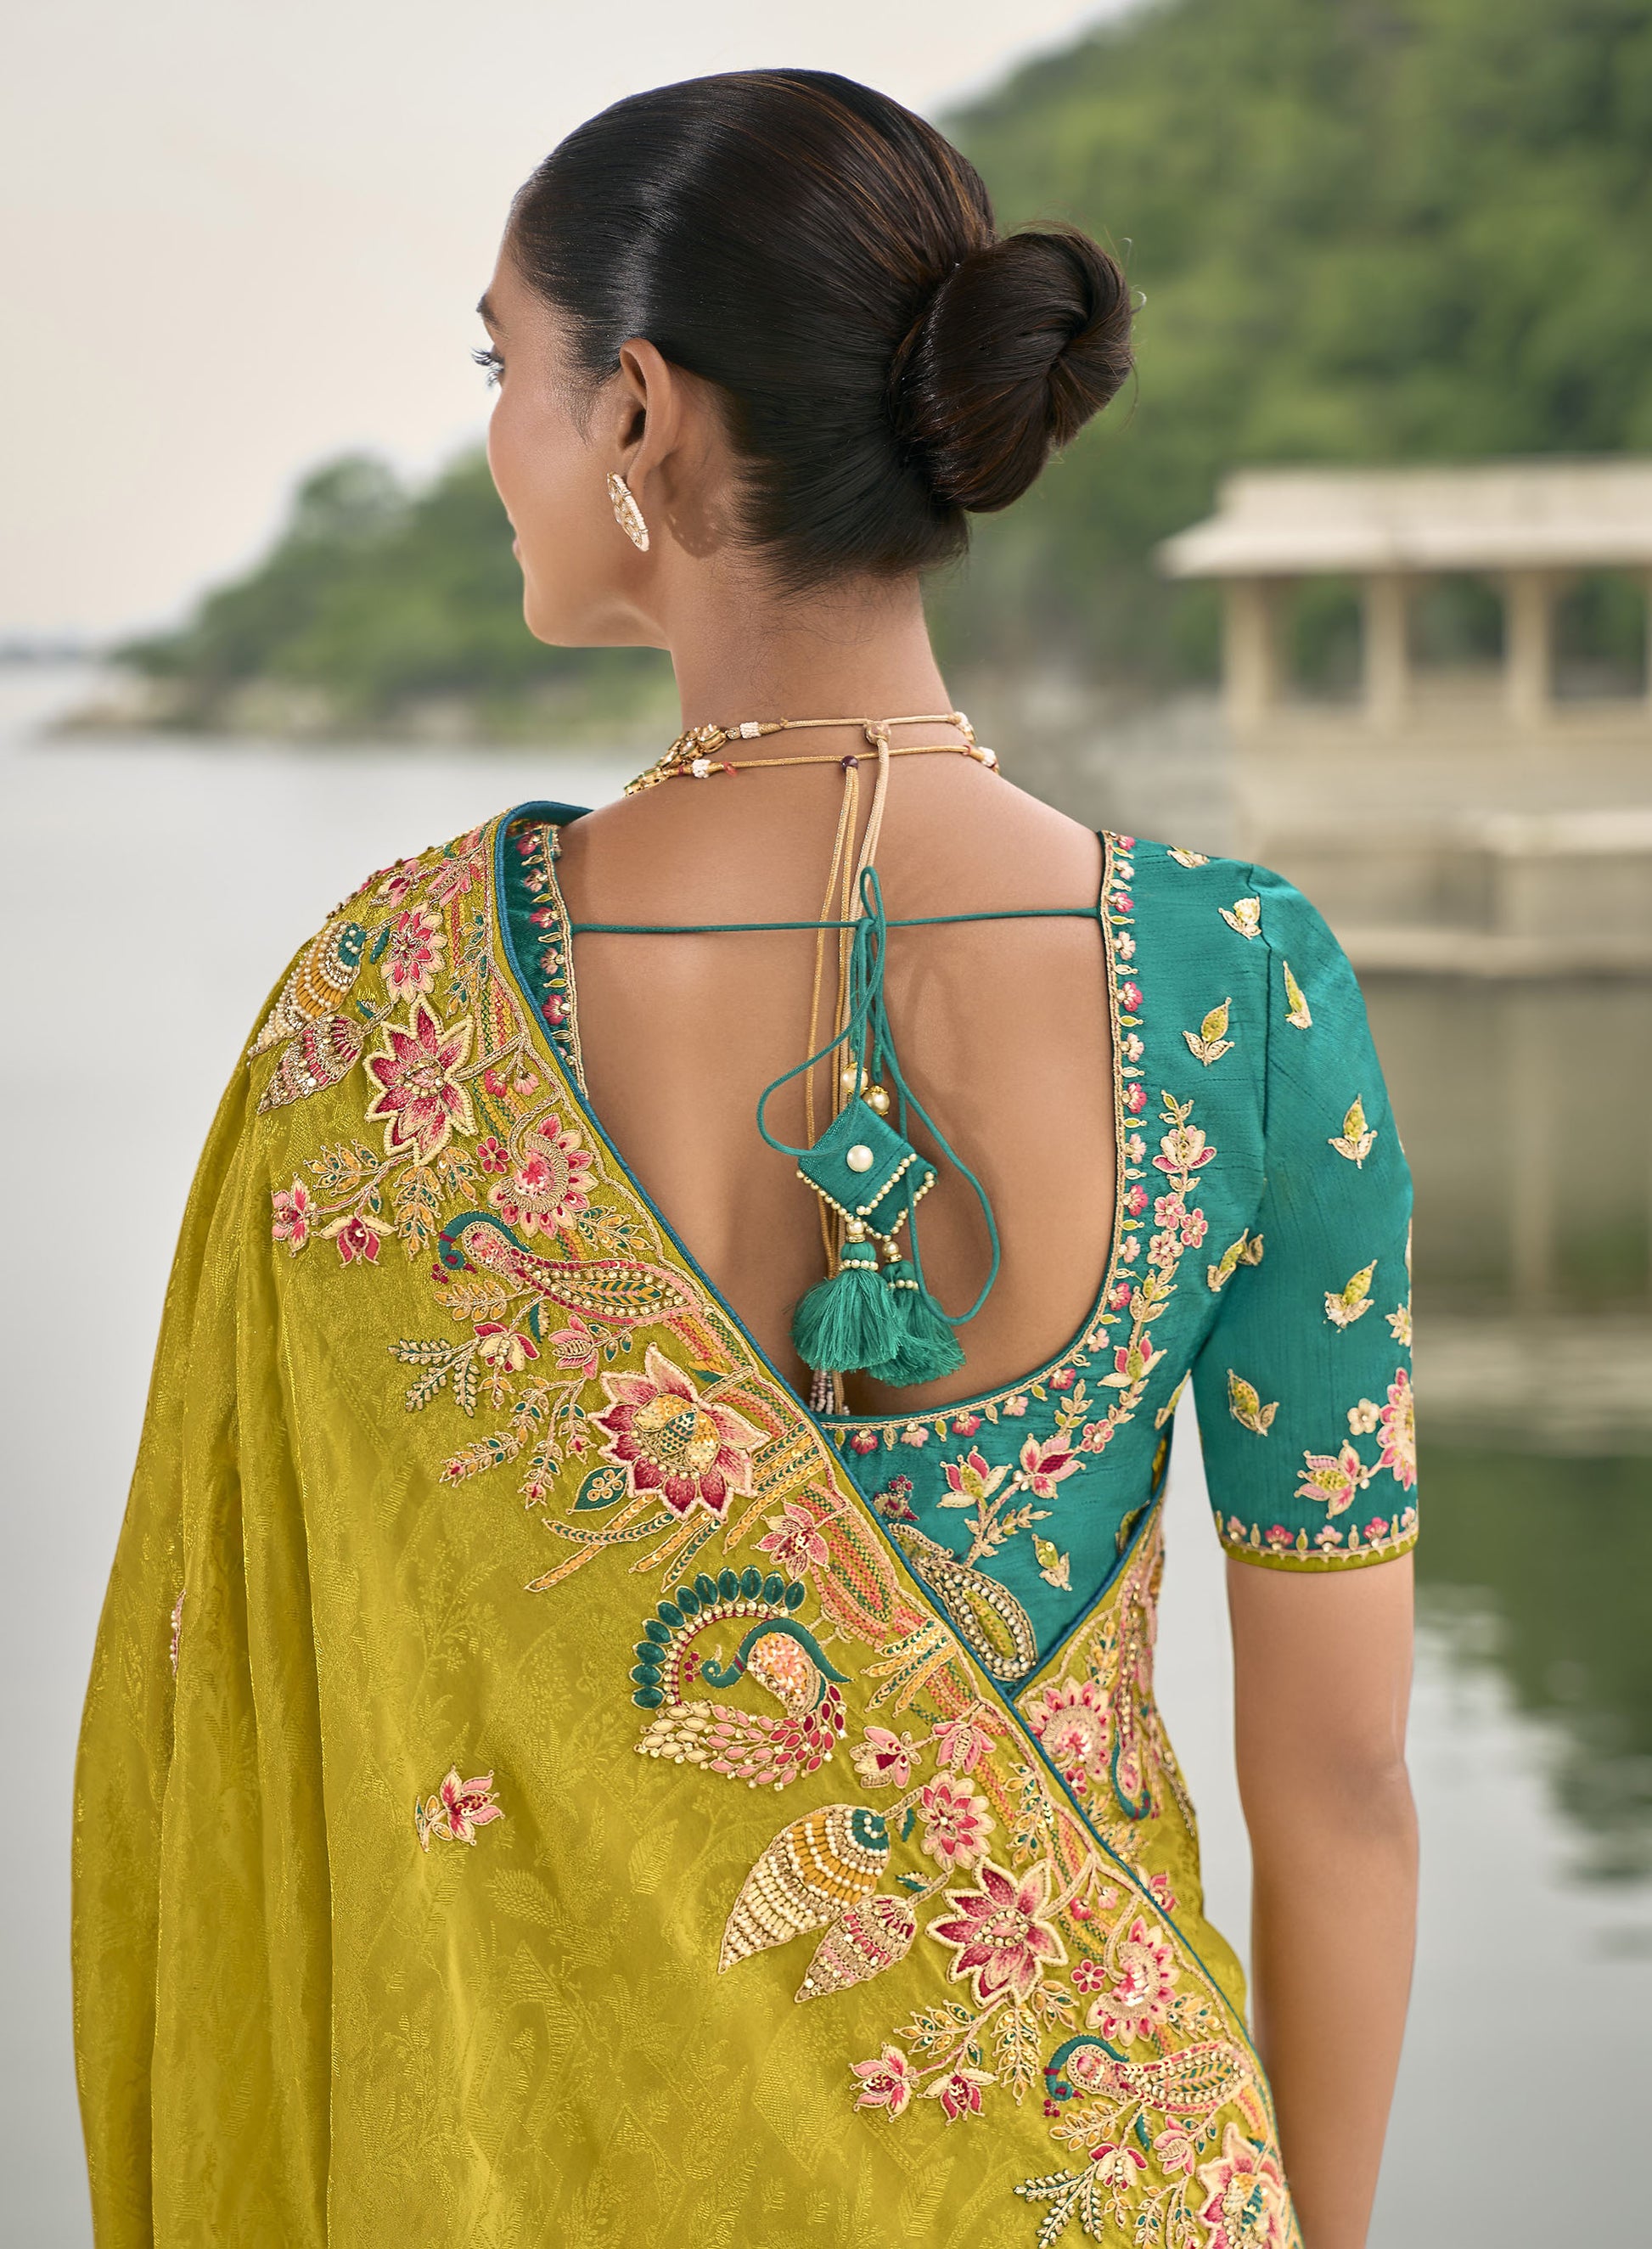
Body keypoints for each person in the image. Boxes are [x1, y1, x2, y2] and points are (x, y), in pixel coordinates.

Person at [73, 68, 1418, 2249]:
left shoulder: (389, 1011)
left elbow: (246, 1745)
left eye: (502, 370)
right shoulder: (1244, 987)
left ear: (634, 414)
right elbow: (1340, 1782)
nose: (493, 441)